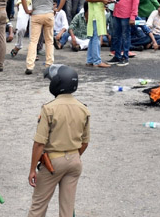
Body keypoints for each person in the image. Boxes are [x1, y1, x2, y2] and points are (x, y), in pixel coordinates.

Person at [28, 64, 90, 217]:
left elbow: (39, 143)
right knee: (67, 210)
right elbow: (85, 142)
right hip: (75, 161)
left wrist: (32, 170)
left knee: (38, 205)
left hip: (52, 163)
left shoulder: (49, 108)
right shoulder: (83, 108)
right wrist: (72, 156)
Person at [22, 0, 66, 75]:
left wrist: (27, 10)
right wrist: (58, 9)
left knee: (33, 41)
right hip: (49, 14)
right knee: (49, 41)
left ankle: (30, 65)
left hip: (36, 14)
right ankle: (49, 64)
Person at [108, 0, 140, 66]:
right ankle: (117, 56)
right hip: (117, 12)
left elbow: (135, 1)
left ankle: (125, 57)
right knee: (116, 35)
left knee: (126, 36)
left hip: (127, 15)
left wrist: (133, 16)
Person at [85, 0, 111, 68]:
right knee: (96, 37)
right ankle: (97, 61)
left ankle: (90, 60)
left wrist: (105, 1)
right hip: (94, 13)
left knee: (93, 37)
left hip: (98, 11)